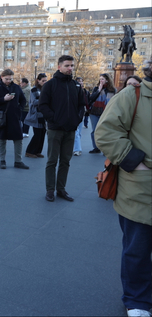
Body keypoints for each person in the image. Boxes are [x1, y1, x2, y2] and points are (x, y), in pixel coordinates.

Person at [94, 57, 152, 317]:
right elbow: (106, 132)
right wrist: (134, 162)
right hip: (141, 189)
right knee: (137, 250)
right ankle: (137, 300)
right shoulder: (133, 94)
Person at [38, 55, 84, 202]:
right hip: (55, 129)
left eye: (72, 66)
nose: (70, 68)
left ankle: (61, 189)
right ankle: (50, 190)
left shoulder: (76, 86)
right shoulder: (50, 85)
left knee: (65, 161)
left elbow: (81, 105)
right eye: (67, 65)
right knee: (52, 160)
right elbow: (42, 106)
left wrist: (77, 120)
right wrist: (54, 118)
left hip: (70, 130)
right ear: (59, 67)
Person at [0, 68, 29, 170]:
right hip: (1, 117)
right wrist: (3, 99)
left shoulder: (16, 87)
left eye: (10, 79)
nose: (9, 81)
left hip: (14, 117)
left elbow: (23, 100)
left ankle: (18, 161)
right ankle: (2, 160)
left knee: (18, 139)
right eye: (7, 79)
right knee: (1, 139)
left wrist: (19, 109)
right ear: (1, 77)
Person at [88, 73, 116, 154]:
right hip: (94, 112)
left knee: (105, 131)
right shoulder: (96, 88)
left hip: (106, 112)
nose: (101, 81)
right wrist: (99, 90)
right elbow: (91, 98)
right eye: (100, 79)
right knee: (94, 130)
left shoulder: (112, 90)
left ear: (107, 80)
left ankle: (105, 148)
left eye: (102, 79)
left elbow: (114, 101)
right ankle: (96, 147)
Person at [24, 73, 48, 158]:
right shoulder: (34, 90)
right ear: (38, 80)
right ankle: (30, 151)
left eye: (46, 80)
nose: (45, 82)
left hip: (43, 115)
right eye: (43, 81)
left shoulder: (45, 89)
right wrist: (45, 100)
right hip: (36, 115)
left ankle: (38, 151)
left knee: (42, 134)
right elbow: (34, 102)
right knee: (37, 134)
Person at [73, 77, 91, 156]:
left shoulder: (85, 92)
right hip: (74, 113)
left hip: (82, 112)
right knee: (76, 132)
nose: (80, 83)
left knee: (78, 132)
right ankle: (77, 149)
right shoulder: (73, 91)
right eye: (79, 81)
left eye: (81, 81)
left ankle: (76, 147)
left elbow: (89, 101)